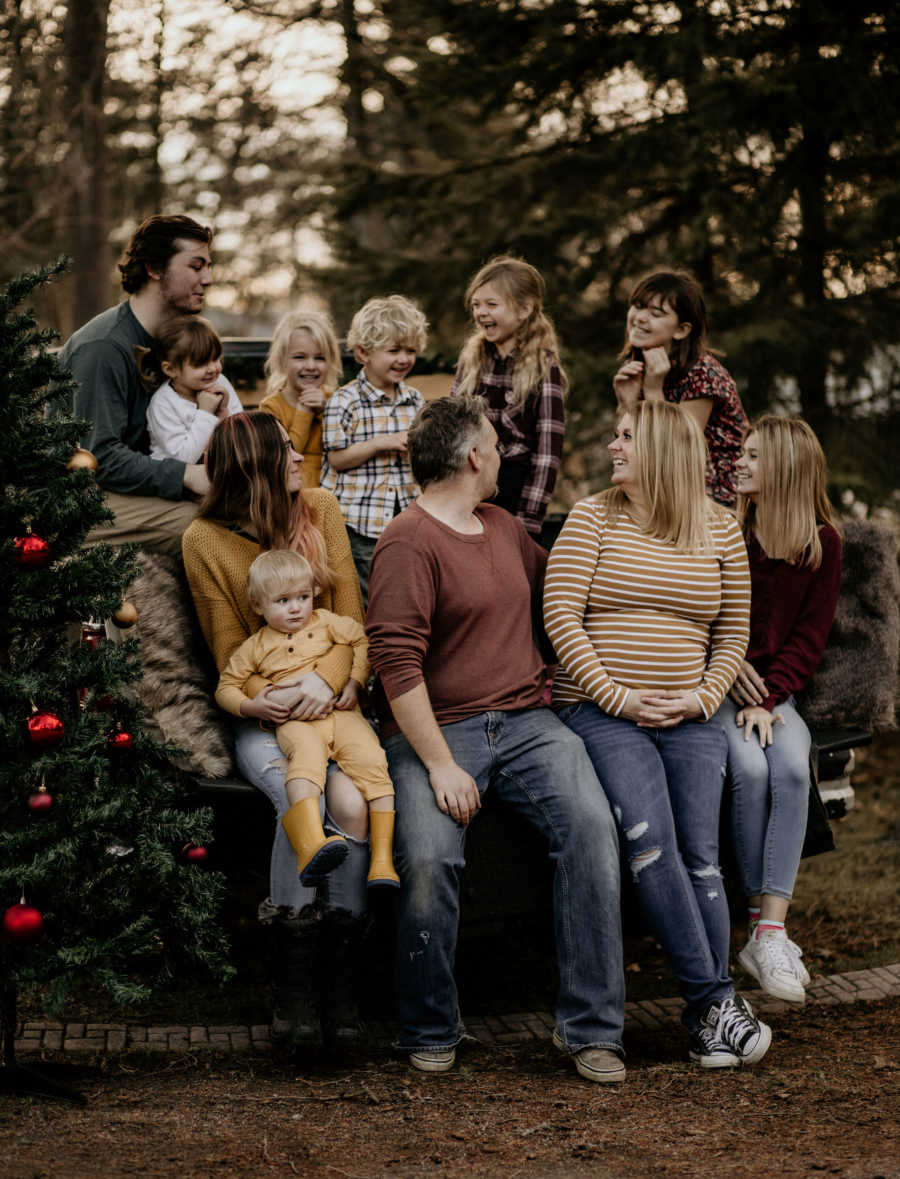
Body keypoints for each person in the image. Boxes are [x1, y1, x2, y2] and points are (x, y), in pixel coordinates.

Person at [366, 394, 626, 1083]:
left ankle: (591, 1029)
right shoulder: (407, 540)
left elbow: (567, 597)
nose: (504, 455)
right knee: (428, 856)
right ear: (473, 455)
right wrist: (442, 764)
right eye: (495, 444)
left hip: (528, 722)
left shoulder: (505, 526)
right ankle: (428, 1023)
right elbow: (396, 665)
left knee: (592, 828)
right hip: (436, 731)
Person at [543, 399, 771, 1069]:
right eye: (614, 434)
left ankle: (706, 1026)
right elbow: (561, 617)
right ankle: (715, 999)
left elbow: (732, 632)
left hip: (692, 717)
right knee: (651, 844)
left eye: (625, 438)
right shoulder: (591, 517)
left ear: (665, 452)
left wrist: (703, 697)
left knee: (701, 855)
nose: (613, 446)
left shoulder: (721, 528)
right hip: (603, 712)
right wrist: (619, 696)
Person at [182, 411, 369, 1049]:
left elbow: (352, 623)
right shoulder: (204, 539)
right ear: (255, 469)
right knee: (304, 794)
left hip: (338, 709)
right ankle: (295, 990)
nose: (300, 457)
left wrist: (334, 684)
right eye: (287, 451)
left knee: (350, 798)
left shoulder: (319, 507)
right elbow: (228, 648)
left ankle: (338, 987)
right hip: (266, 716)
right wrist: (278, 701)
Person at [718, 415, 842, 1004]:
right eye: (741, 453)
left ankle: (770, 930)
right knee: (750, 770)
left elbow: (808, 638)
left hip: (776, 693)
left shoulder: (821, 545)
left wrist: (769, 700)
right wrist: (726, 673)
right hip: (719, 687)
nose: (739, 462)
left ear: (786, 469)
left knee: (792, 768)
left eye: (754, 456)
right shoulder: (724, 530)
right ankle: (754, 920)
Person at [215, 549, 399, 890]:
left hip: (343, 714)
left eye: (302, 597)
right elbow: (226, 687)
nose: (296, 607)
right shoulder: (254, 647)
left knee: (374, 764)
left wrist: (355, 682)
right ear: (259, 606)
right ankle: (310, 844)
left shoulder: (328, 622)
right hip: (297, 722)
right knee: (305, 764)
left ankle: (382, 861)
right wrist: (253, 707)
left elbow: (362, 639)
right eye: (283, 601)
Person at [56, 214, 218, 557]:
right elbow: (99, 457)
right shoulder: (104, 348)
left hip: (130, 485)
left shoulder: (173, 342)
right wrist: (186, 476)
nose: (208, 277)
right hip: (76, 498)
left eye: (208, 266)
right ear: (155, 269)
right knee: (199, 528)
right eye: (196, 265)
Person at [321, 295, 427, 607]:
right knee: (369, 596)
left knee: (403, 589)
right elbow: (337, 459)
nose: (403, 359)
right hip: (359, 520)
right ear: (363, 352)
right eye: (393, 350)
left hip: (404, 514)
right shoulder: (344, 401)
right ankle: (373, 649)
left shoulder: (415, 400)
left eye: (410, 350)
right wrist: (382, 443)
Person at [451, 256, 566, 538]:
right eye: (476, 305)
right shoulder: (471, 360)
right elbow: (452, 427)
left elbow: (547, 450)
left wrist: (528, 517)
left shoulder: (543, 365)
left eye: (492, 305)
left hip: (516, 490)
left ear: (524, 309)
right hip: (470, 486)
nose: (481, 313)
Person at [612, 269, 747, 507]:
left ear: (681, 330)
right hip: (664, 491)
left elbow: (680, 452)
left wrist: (654, 390)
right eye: (638, 306)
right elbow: (632, 447)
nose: (640, 317)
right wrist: (627, 403)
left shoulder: (704, 373)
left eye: (656, 313)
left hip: (716, 500)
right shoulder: (639, 367)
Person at [259, 308, 344, 489]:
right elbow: (284, 460)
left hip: (337, 496)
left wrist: (326, 411)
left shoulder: (336, 399)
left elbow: (344, 446)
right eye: (300, 357)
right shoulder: (271, 407)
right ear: (282, 361)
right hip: (295, 498)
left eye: (320, 358)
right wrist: (304, 412)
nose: (311, 366)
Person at [144, 316, 242, 465]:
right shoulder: (163, 404)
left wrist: (224, 414)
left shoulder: (220, 381)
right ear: (170, 369)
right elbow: (184, 458)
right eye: (200, 363)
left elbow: (242, 433)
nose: (213, 369)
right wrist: (206, 413)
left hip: (218, 468)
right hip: (177, 479)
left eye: (216, 358)